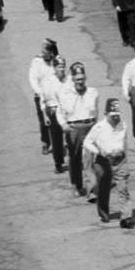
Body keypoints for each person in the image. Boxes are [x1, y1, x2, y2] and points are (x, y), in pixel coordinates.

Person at [82, 99, 133, 227]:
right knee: (104, 189)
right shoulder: (99, 127)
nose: (116, 118)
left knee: (123, 188)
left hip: (120, 160)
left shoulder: (123, 124)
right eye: (113, 115)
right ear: (106, 114)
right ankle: (103, 212)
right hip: (104, 161)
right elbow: (87, 142)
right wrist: (98, 151)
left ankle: (126, 217)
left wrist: (124, 157)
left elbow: (124, 142)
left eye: (118, 115)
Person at [57, 62, 100, 197]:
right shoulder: (65, 94)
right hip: (74, 128)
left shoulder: (93, 92)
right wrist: (64, 125)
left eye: (82, 79)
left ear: (85, 78)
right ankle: (76, 184)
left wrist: (96, 126)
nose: (80, 82)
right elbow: (59, 111)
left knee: (90, 158)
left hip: (90, 126)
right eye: (77, 79)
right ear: (73, 79)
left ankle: (91, 189)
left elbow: (96, 110)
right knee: (75, 158)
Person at [28, 38, 59, 157]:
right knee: (44, 121)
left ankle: (57, 143)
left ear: (51, 53)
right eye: (42, 52)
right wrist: (40, 93)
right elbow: (33, 79)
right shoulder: (36, 61)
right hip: (41, 95)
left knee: (57, 120)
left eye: (46, 52)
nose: (43, 54)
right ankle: (45, 142)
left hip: (54, 96)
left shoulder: (56, 61)